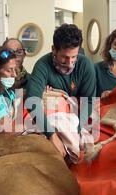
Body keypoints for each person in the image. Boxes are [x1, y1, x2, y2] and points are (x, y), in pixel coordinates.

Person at [26, 24, 96, 157]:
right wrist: (52, 135)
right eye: (64, 57)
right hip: (51, 117)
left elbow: (89, 102)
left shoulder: (85, 65)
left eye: (74, 57)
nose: (69, 62)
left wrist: (77, 130)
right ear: (54, 50)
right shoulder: (42, 65)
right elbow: (32, 102)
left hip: (76, 116)